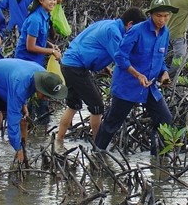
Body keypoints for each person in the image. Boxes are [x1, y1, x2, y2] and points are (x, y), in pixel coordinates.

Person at [94, 0, 178, 155]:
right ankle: (96, 154)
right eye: (159, 16)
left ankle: (158, 159)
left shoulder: (165, 33)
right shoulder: (137, 30)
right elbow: (120, 56)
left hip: (150, 88)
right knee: (112, 122)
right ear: (151, 15)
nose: (162, 20)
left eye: (166, 16)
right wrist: (137, 75)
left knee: (165, 120)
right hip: (128, 85)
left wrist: (164, 74)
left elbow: (161, 60)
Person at [56, 7, 146, 145]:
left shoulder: (108, 24)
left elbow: (92, 44)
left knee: (73, 105)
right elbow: (121, 59)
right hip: (76, 67)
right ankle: (99, 145)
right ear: (130, 24)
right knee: (97, 106)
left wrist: (104, 67)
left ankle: (59, 142)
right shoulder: (114, 31)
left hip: (68, 63)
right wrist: (138, 75)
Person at [0, 58, 67, 164]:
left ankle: (23, 154)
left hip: (5, 84)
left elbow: (25, 90)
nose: (47, 99)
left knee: (24, 117)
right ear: (40, 87)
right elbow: (13, 124)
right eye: (46, 95)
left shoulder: (43, 76)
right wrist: (18, 149)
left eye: (50, 97)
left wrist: (24, 105)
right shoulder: (21, 83)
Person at [14, 0, 61, 67]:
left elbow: (37, 37)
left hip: (36, 60)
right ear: (41, 0)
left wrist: (50, 45)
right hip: (26, 61)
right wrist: (52, 51)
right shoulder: (35, 19)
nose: (53, 2)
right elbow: (30, 46)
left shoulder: (45, 16)